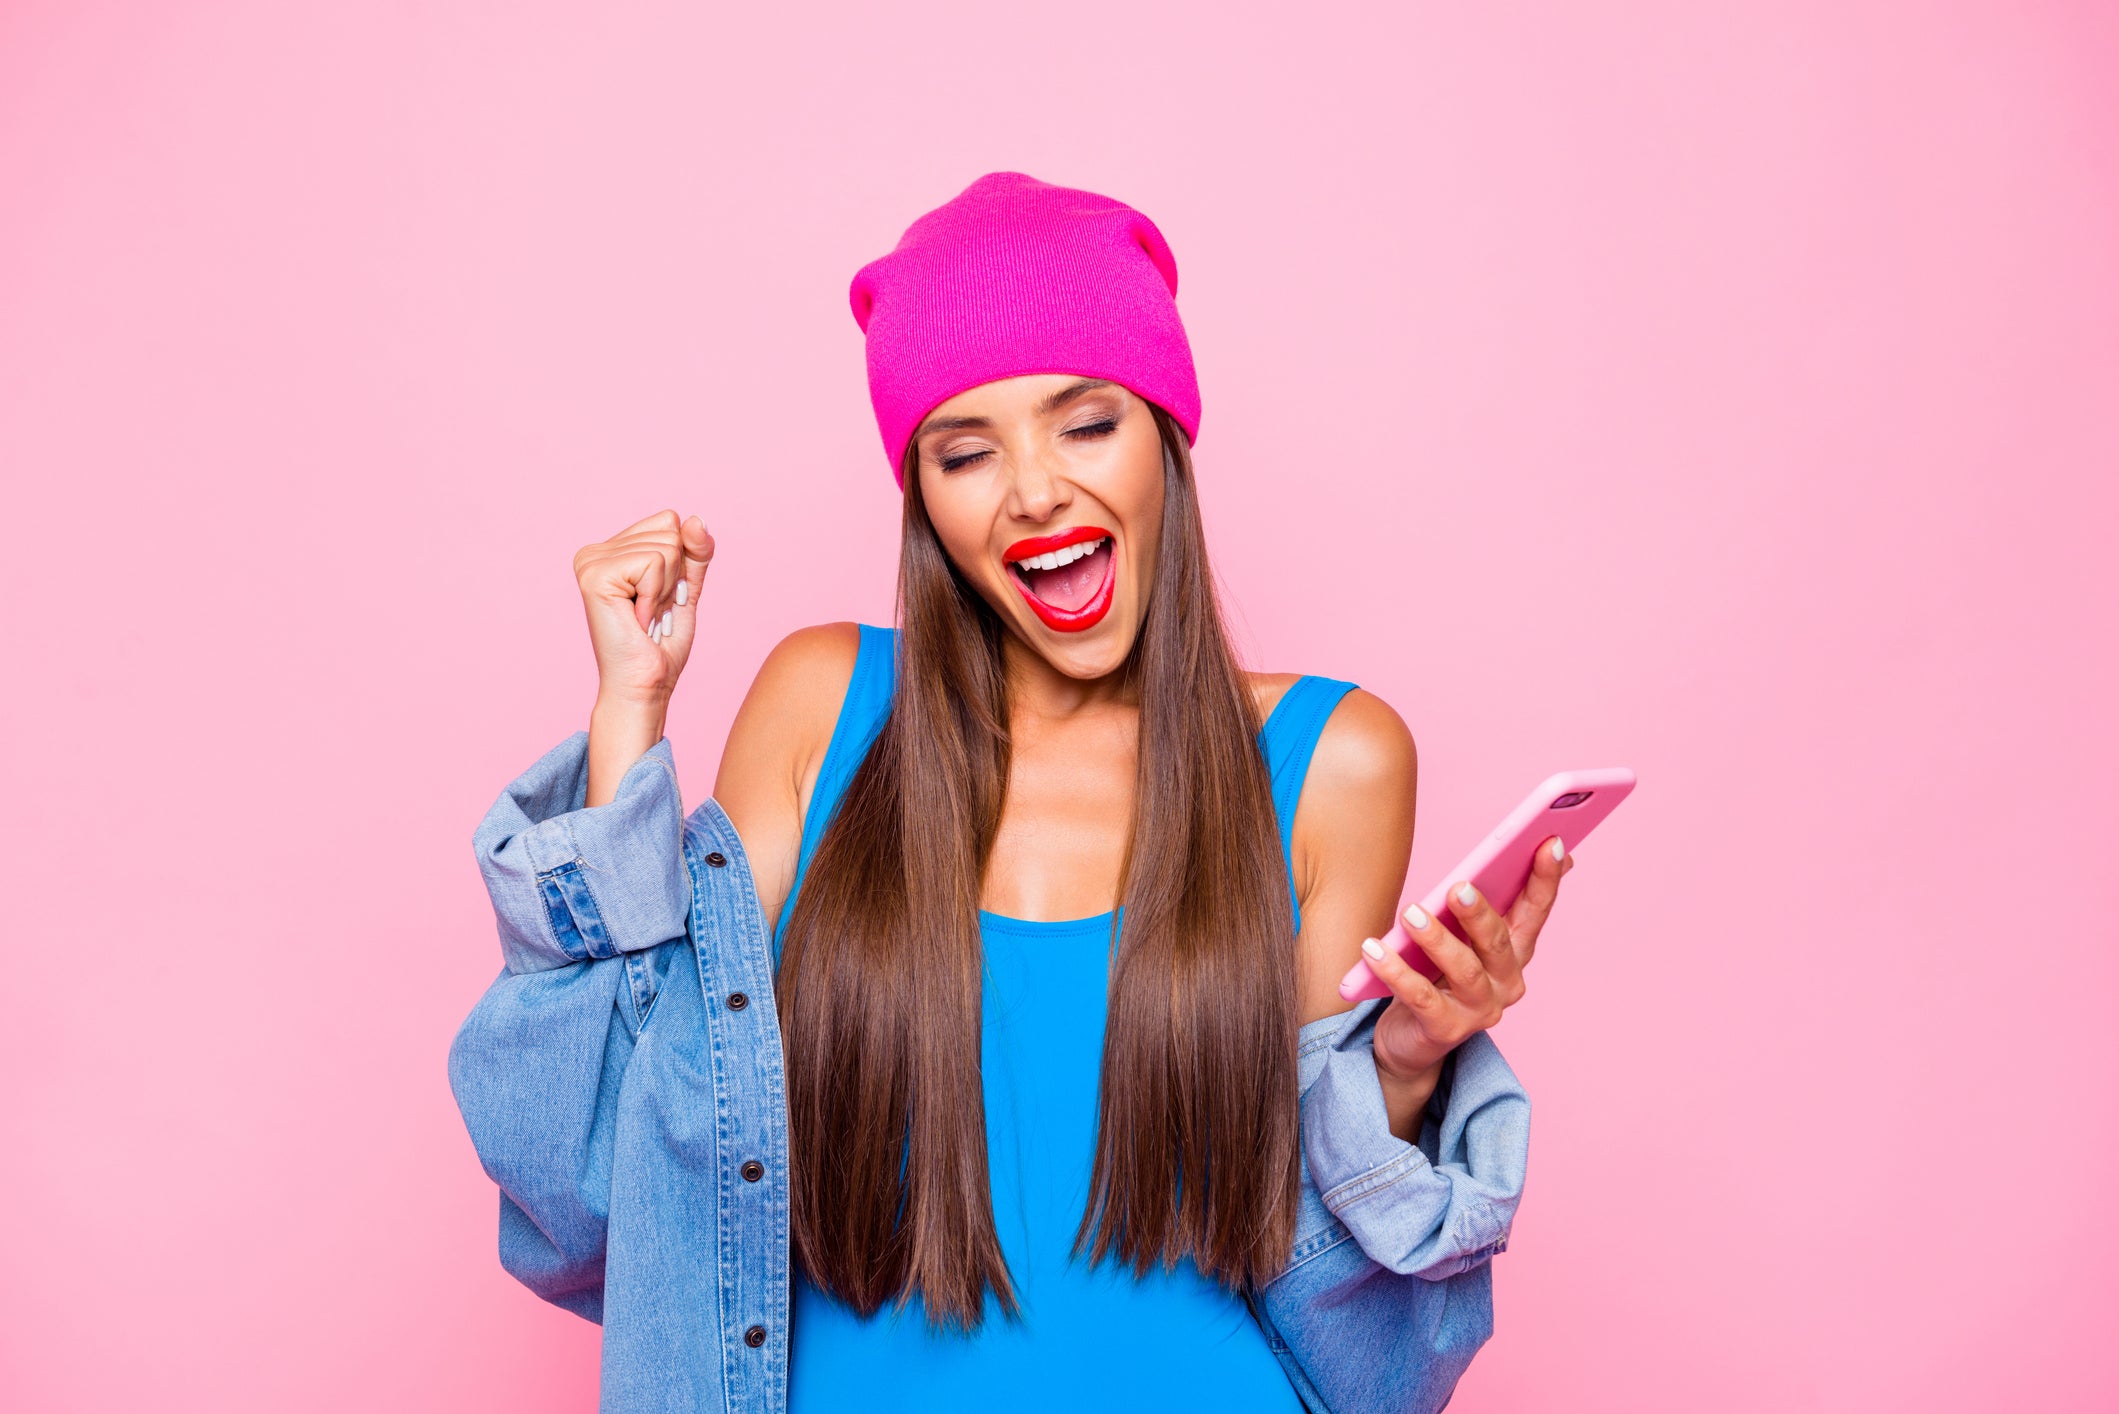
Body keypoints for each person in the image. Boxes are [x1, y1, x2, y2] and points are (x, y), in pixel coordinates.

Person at [450, 172, 1567, 1414]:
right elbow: (613, 1191)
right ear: (924, 498)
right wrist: (629, 719)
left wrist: (1403, 1067)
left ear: (1164, 438)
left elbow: (1331, 1301)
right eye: (967, 452)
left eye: (1085, 425)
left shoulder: (1332, 762)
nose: (1033, 490)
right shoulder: (821, 709)